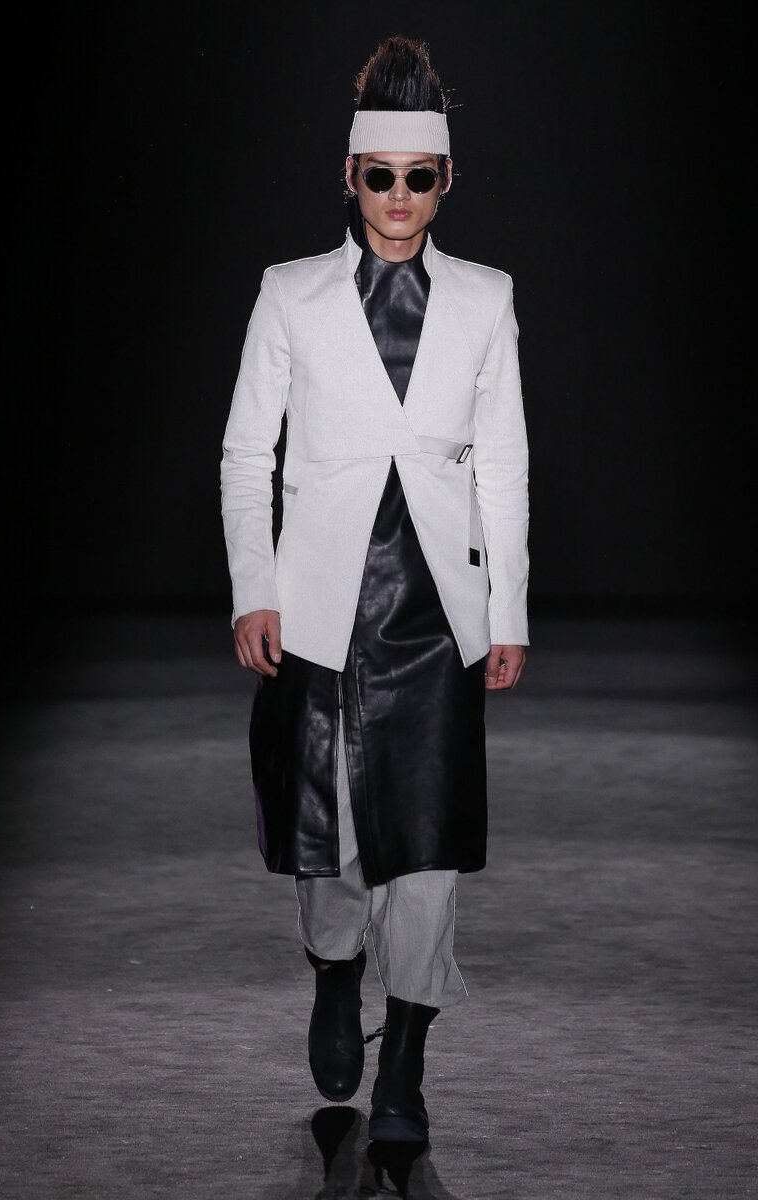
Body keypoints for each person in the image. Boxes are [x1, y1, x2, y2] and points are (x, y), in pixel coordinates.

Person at [219, 35, 529, 1143]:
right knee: (334, 840)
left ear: (446, 181)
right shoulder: (289, 294)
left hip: (434, 613)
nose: (399, 196)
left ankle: (405, 1058)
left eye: (419, 175)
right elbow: (246, 453)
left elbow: (503, 463)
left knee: (429, 844)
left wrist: (508, 611)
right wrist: (253, 587)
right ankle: (333, 971)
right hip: (319, 609)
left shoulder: (485, 299)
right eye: (380, 175)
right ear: (349, 176)